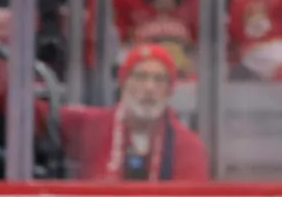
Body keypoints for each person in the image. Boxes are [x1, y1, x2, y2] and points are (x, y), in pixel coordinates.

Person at [50, 43, 208, 181]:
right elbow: (32, 114)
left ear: (170, 90)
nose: (149, 88)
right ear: (123, 83)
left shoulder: (188, 145)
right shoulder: (90, 124)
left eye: (159, 79)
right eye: (140, 77)